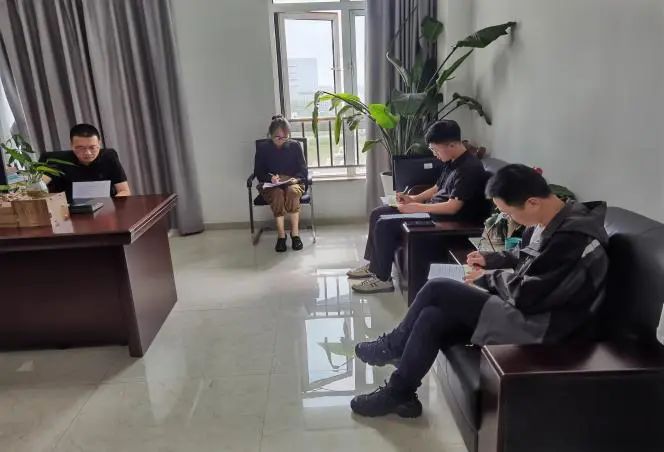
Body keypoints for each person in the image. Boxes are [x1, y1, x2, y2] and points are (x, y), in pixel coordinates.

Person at [350, 164, 609, 418]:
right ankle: (399, 394)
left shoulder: (572, 238)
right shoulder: (554, 217)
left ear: (532, 202)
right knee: (432, 317)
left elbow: (530, 295)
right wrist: (491, 259)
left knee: (438, 287)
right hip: (531, 307)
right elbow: (526, 255)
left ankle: (393, 346)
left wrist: (487, 278)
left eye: (509, 213)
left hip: (547, 325)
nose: (509, 219)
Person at [347, 119, 489, 294]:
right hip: (432, 212)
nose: (435, 155)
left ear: (451, 145)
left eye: (435, 150)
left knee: (385, 223)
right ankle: (373, 266)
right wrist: (413, 198)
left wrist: (417, 208)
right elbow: (437, 188)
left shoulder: (469, 168)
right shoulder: (453, 161)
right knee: (378, 213)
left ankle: (382, 279)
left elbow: (452, 207)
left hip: (446, 221)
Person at [254, 115, 308, 252]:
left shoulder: (295, 146)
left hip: (292, 182)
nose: (281, 141)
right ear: (270, 135)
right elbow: (258, 172)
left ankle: (295, 234)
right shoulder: (263, 148)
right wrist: (270, 178)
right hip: (271, 185)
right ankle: (281, 236)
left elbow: (303, 170)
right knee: (277, 195)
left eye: (285, 137)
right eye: (277, 137)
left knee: (292, 192)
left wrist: (296, 179)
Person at [43, 123, 131, 200]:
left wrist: (111, 204)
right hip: (70, 210)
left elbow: (124, 191)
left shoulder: (108, 157)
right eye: (80, 148)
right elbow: (38, 187)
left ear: (99, 144)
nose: (87, 153)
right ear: (71, 145)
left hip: (107, 208)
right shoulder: (58, 160)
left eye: (92, 147)